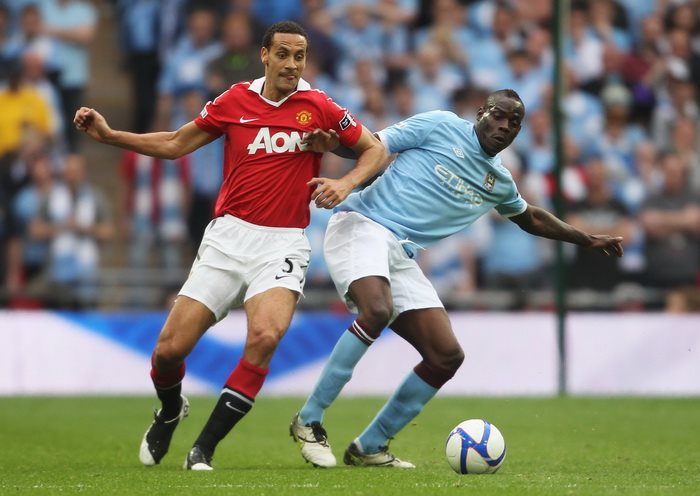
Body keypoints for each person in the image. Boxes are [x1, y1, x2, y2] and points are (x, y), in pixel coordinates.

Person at [73, 20, 387, 470]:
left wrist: (345, 182)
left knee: (265, 336)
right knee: (168, 351)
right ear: (264, 55)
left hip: (283, 242)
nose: (292, 64)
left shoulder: (318, 105)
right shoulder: (234, 100)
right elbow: (175, 143)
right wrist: (110, 136)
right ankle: (170, 409)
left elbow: (374, 149)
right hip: (228, 238)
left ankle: (203, 448)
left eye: (299, 56)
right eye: (283, 54)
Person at [289, 89, 624, 468]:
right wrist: (336, 150)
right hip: (361, 224)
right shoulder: (440, 125)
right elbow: (373, 145)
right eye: (499, 115)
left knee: (445, 356)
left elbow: (530, 217)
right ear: (481, 112)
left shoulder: (498, 181)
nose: (505, 126)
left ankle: (370, 446)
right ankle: (309, 419)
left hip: (400, 252)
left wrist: (585, 239)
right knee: (376, 310)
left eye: (515, 122)